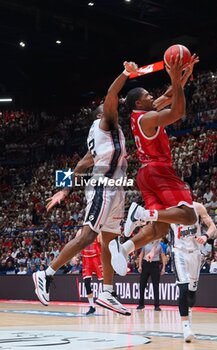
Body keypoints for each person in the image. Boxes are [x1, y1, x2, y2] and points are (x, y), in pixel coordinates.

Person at [32, 60, 138, 316]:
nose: (116, 109)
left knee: (109, 240)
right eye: (110, 109)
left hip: (114, 189)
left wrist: (65, 189)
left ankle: (107, 292)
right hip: (104, 187)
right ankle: (45, 274)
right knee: (88, 236)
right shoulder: (106, 123)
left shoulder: (102, 137)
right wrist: (126, 73)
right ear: (102, 114)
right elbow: (112, 95)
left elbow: (81, 163)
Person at [109, 54, 200, 277]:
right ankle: (141, 213)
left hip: (145, 174)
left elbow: (169, 96)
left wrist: (182, 75)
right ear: (140, 102)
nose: (153, 96)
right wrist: (176, 79)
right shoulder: (148, 118)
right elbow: (178, 111)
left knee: (161, 227)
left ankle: (125, 247)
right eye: (148, 95)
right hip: (159, 170)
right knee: (189, 216)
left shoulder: (139, 113)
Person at [170, 201, 217, 342]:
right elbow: (157, 229)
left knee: (191, 292)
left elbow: (212, 227)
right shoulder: (170, 209)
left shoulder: (198, 207)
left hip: (195, 252)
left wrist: (205, 236)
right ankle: (186, 328)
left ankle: (188, 312)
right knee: (183, 288)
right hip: (178, 252)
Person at [79, 230, 103, 315]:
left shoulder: (98, 232)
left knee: (104, 281)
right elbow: (76, 244)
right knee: (87, 283)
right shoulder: (80, 232)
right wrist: (75, 256)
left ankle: (113, 302)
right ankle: (92, 306)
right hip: (86, 260)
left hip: (97, 258)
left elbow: (103, 244)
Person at [136, 240, 165, 311]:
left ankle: (157, 305)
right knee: (142, 285)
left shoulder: (159, 244)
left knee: (156, 286)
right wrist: (140, 266)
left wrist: (163, 267)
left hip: (155, 264)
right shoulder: (145, 243)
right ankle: (141, 304)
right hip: (146, 264)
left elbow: (162, 256)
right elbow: (141, 255)